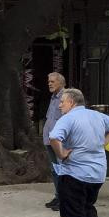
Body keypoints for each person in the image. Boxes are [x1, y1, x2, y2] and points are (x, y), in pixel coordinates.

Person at [49, 88, 109, 217]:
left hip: (75, 172)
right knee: (88, 208)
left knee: (72, 212)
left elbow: (54, 138)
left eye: (63, 102)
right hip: (97, 173)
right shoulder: (96, 116)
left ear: (72, 102)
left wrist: (61, 154)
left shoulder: (68, 119)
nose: (60, 105)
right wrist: (102, 144)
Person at [42, 73, 66, 210]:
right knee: (54, 169)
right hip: (49, 139)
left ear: (60, 83)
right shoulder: (53, 97)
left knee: (62, 169)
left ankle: (64, 198)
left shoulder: (65, 97)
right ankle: (58, 196)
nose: (49, 84)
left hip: (59, 140)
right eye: (48, 81)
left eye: (52, 81)